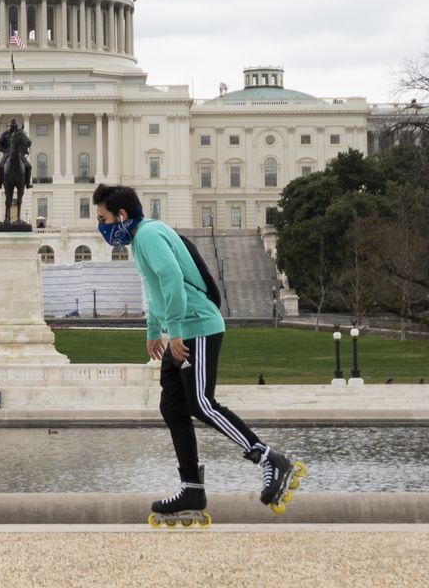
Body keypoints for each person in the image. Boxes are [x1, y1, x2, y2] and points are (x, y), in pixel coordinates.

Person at [95, 182, 304, 526]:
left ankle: (268, 458)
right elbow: (155, 287)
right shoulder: (142, 239)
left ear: (121, 215)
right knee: (173, 406)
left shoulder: (147, 235)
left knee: (201, 403)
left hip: (198, 327)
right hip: (183, 329)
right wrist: (153, 330)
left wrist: (173, 330)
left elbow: (173, 279)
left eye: (103, 219)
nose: (101, 227)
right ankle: (191, 487)